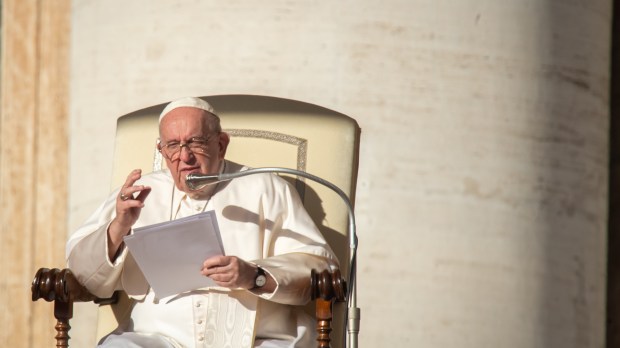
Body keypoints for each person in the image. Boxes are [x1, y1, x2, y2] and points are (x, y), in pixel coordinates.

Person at [66, 97, 339, 348]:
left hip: (256, 336)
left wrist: (254, 275)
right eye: (172, 145)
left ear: (221, 144)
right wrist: (119, 227)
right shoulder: (139, 192)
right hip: (157, 336)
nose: (184, 157)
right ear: (161, 150)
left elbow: (320, 266)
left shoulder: (266, 187)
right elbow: (83, 274)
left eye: (195, 142)